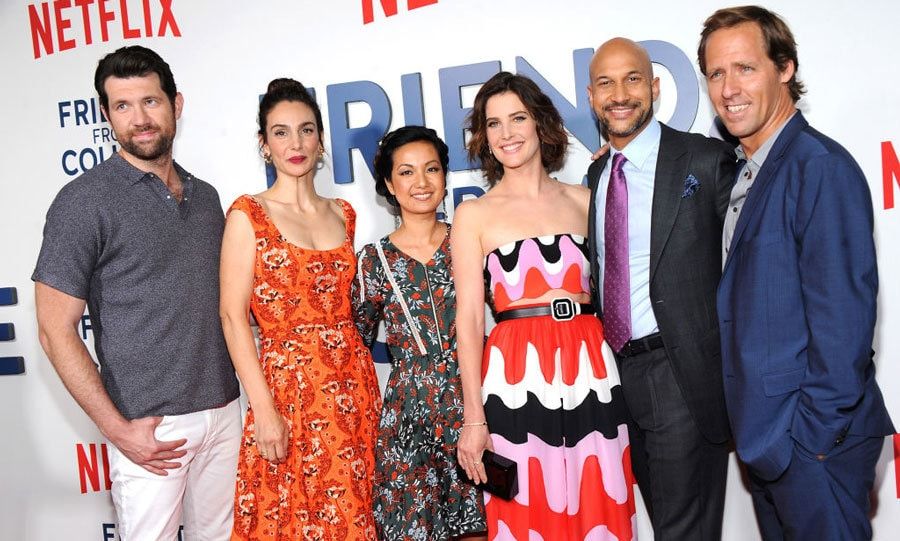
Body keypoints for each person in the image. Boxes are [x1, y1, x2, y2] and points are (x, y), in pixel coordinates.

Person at [699, 6, 895, 540]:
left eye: (745, 68)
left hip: (812, 446)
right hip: (772, 443)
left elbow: (844, 324)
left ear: (784, 68)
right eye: (716, 73)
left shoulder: (819, 167)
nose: (728, 88)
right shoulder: (745, 173)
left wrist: (808, 441)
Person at [33, 45, 242, 540]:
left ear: (176, 104)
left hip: (225, 412)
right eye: (122, 106)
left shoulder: (208, 197)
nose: (140, 119)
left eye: (150, 101)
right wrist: (117, 428)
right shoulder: (82, 202)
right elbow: (53, 328)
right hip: (150, 428)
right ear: (105, 115)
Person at [453, 71, 635, 541]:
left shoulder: (586, 200)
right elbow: (471, 323)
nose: (507, 133)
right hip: (516, 379)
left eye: (517, 118)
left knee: (600, 499)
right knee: (525, 510)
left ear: (540, 124)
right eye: (493, 124)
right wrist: (474, 417)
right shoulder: (474, 215)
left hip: (590, 372)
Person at [585, 38, 736, 540]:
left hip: (681, 374)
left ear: (653, 87)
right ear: (590, 97)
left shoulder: (704, 160)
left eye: (632, 79)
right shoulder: (598, 172)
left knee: (683, 531)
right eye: (606, 82)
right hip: (617, 379)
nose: (619, 94)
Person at [220, 78, 381, 540]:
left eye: (306, 130)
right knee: (289, 518)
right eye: (281, 132)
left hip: (352, 389)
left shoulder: (344, 213)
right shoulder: (248, 214)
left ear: (321, 139)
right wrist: (264, 410)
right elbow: (233, 317)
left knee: (353, 514)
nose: (296, 143)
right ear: (264, 144)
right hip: (285, 393)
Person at [352, 126, 487, 540]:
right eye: (406, 173)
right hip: (409, 418)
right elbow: (356, 337)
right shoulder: (374, 260)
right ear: (389, 185)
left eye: (431, 169)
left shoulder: (472, 241)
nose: (422, 182)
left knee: (481, 527)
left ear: (446, 176)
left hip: (474, 406)